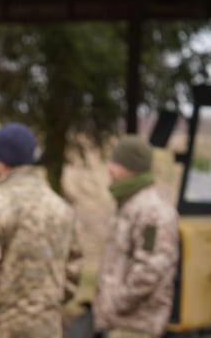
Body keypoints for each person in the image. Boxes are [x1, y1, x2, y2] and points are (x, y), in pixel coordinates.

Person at [0, 122, 82, 338]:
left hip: (1, 327)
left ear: (2, 161)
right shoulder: (61, 208)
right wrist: (44, 305)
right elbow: (73, 270)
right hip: (48, 327)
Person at [93, 135, 179, 338]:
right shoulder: (129, 204)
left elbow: (150, 269)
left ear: (132, 167)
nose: (109, 169)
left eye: (116, 163)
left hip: (135, 327)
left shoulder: (152, 211)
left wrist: (117, 302)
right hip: (120, 325)